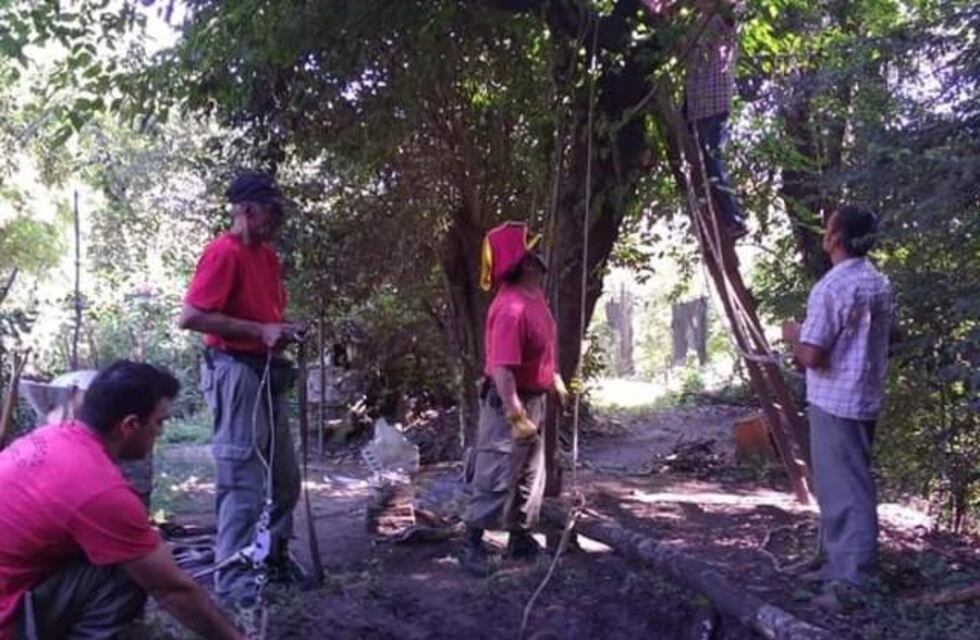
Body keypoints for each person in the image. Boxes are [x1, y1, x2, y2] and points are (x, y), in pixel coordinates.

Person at [0, 360, 242, 640]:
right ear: (130, 425)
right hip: (7, 617)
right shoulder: (99, 490)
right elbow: (172, 589)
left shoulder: (49, 436)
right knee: (128, 568)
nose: (161, 432)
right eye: (159, 422)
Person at [179, 171, 307, 607]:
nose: (277, 222)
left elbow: (264, 316)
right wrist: (259, 331)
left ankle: (275, 558)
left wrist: (282, 330)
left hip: (266, 369)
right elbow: (191, 317)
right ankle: (233, 580)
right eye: (272, 213)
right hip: (234, 370)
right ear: (248, 211)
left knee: (285, 476)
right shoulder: (223, 253)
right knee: (241, 478)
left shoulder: (266, 257)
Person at [782, 205, 895, 609]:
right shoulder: (878, 282)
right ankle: (837, 566)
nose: (824, 234)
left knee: (847, 491)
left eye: (828, 229)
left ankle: (853, 582)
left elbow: (811, 355)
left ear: (837, 238)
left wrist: (794, 336)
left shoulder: (831, 287)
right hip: (862, 396)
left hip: (834, 401)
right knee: (840, 486)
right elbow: (891, 337)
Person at [461, 221, 568, 575]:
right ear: (523, 263)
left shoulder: (534, 298)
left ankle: (519, 539)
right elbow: (503, 369)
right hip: (510, 400)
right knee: (496, 472)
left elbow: (541, 345)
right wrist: (515, 414)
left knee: (529, 474)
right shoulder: (510, 308)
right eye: (533, 252)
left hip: (534, 397)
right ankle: (471, 544)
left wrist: (552, 376)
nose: (540, 257)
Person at [685, 0, 747, 239]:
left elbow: (734, 7)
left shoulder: (723, 18)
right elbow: (683, 51)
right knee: (702, 161)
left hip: (713, 102)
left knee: (712, 159)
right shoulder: (697, 22)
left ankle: (734, 218)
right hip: (696, 104)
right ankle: (719, 215)